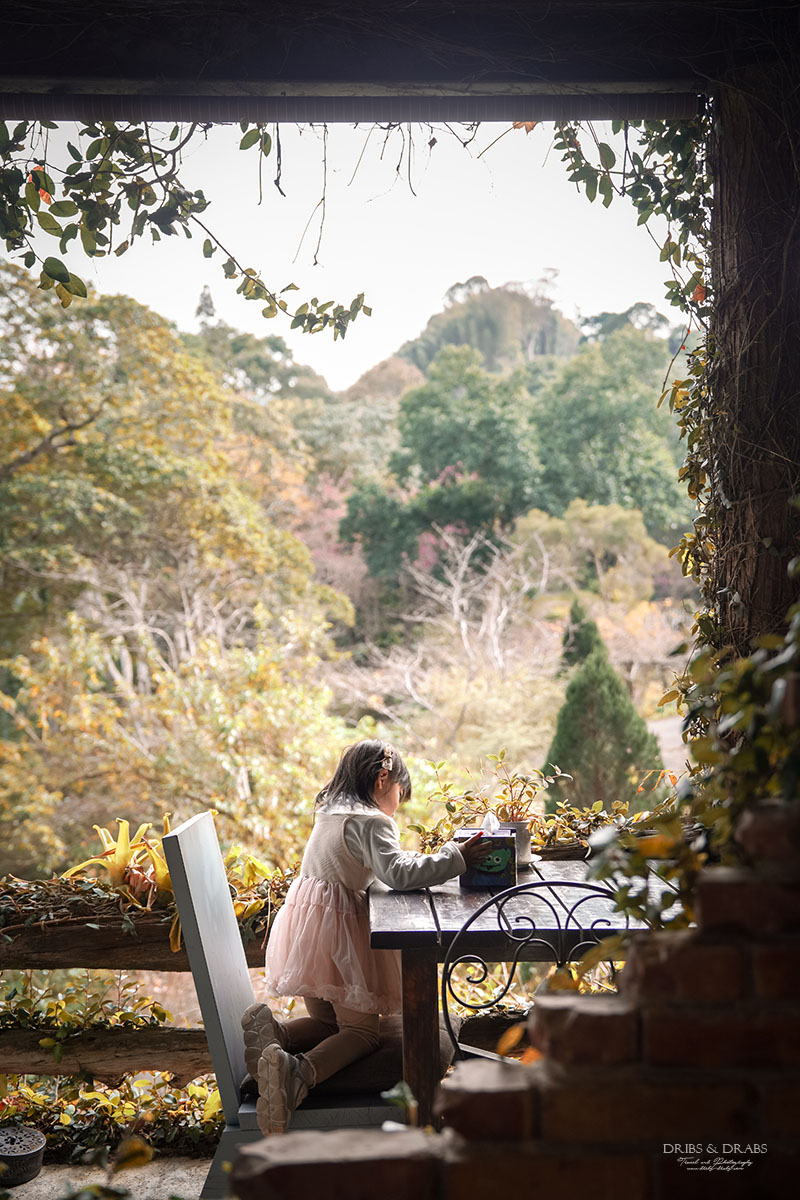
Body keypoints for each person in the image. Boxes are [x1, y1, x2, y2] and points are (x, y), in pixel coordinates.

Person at [241, 737, 489, 1134]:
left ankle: (276, 1035)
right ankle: (296, 1074)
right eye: (398, 794)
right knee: (360, 1032)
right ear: (382, 778)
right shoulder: (372, 821)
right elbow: (398, 874)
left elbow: (381, 863)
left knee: (327, 1023)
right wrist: (455, 857)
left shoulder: (330, 814)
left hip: (308, 931)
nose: (397, 804)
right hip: (341, 941)